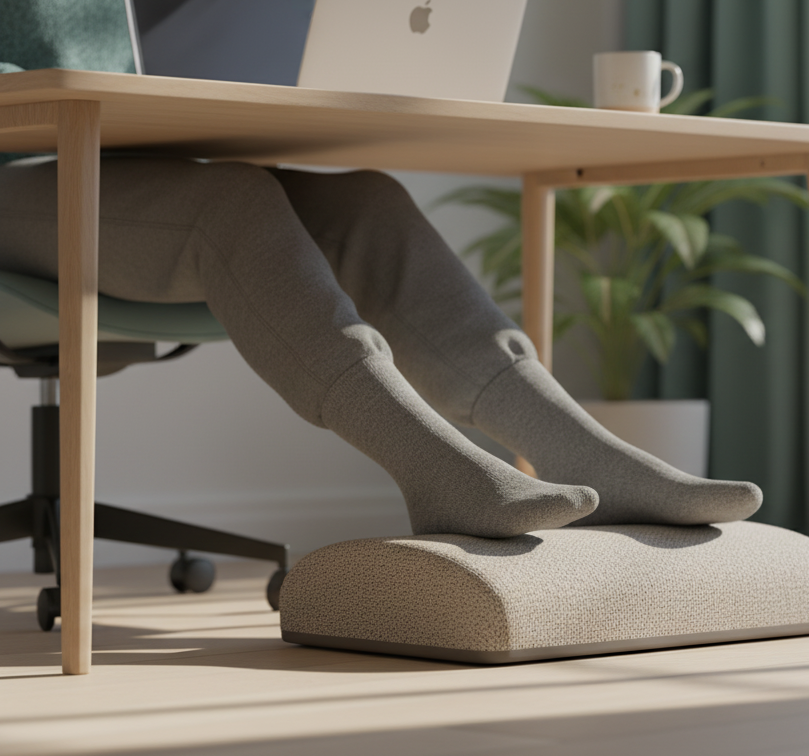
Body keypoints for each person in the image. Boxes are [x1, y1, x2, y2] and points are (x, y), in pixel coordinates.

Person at [0, 2, 762, 539]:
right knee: (226, 204)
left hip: (121, 162)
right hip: (17, 173)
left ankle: (585, 454)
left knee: (369, 202)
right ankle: (437, 475)